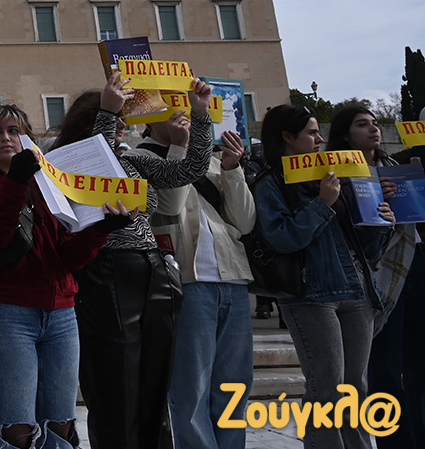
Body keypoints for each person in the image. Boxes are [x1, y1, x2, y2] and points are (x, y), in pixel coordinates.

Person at [52, 73, 214, 449]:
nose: (124, 125)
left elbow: (191, 170)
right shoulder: (68, 163)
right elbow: (99, 167)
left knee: (154, 380)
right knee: (116, 383)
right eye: (117, 119)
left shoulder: (135, 159)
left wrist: (201, 117)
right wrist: (107, 113)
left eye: (124, 118)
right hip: (105, 271)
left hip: (153, 269)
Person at [0, 104, 127, 449]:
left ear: (29, 141)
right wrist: (16, 181)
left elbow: (68, 256)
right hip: (8, 314)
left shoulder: (49, 184)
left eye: (15, 131)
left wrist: (102, 229)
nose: (6, 138)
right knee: (17, 429)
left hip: (62, 313)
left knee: (61, 424)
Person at [255, 104, 393, 449]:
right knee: (326, 384)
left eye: (319, 132)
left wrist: (381, 220)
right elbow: (282, 238)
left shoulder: (337, 174)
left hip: (357, 289)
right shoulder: (270, 183)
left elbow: (368, 247)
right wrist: (322, 204)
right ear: (288, 137)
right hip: (310, 294)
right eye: (312, 132)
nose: (320, 139)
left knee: (354, 387)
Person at [130, 115, 256, 449]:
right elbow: (169, 206)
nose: (180, 115)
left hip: (232, 277)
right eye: (169, 109)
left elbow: (244, 221)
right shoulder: (137, 158)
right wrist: (179, 147)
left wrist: (231, 170)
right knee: (191, 388)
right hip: (186, 279)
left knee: (234, 385)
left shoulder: (210, 159)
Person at [331, 106, 421, 449]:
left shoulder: (397, 169)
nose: (373, 130)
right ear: (344, 134)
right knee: (385, 369)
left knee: (417, 363)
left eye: (375, 124)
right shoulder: (339, 174)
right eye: (362, 124)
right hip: (374, 275)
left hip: (412, 262)